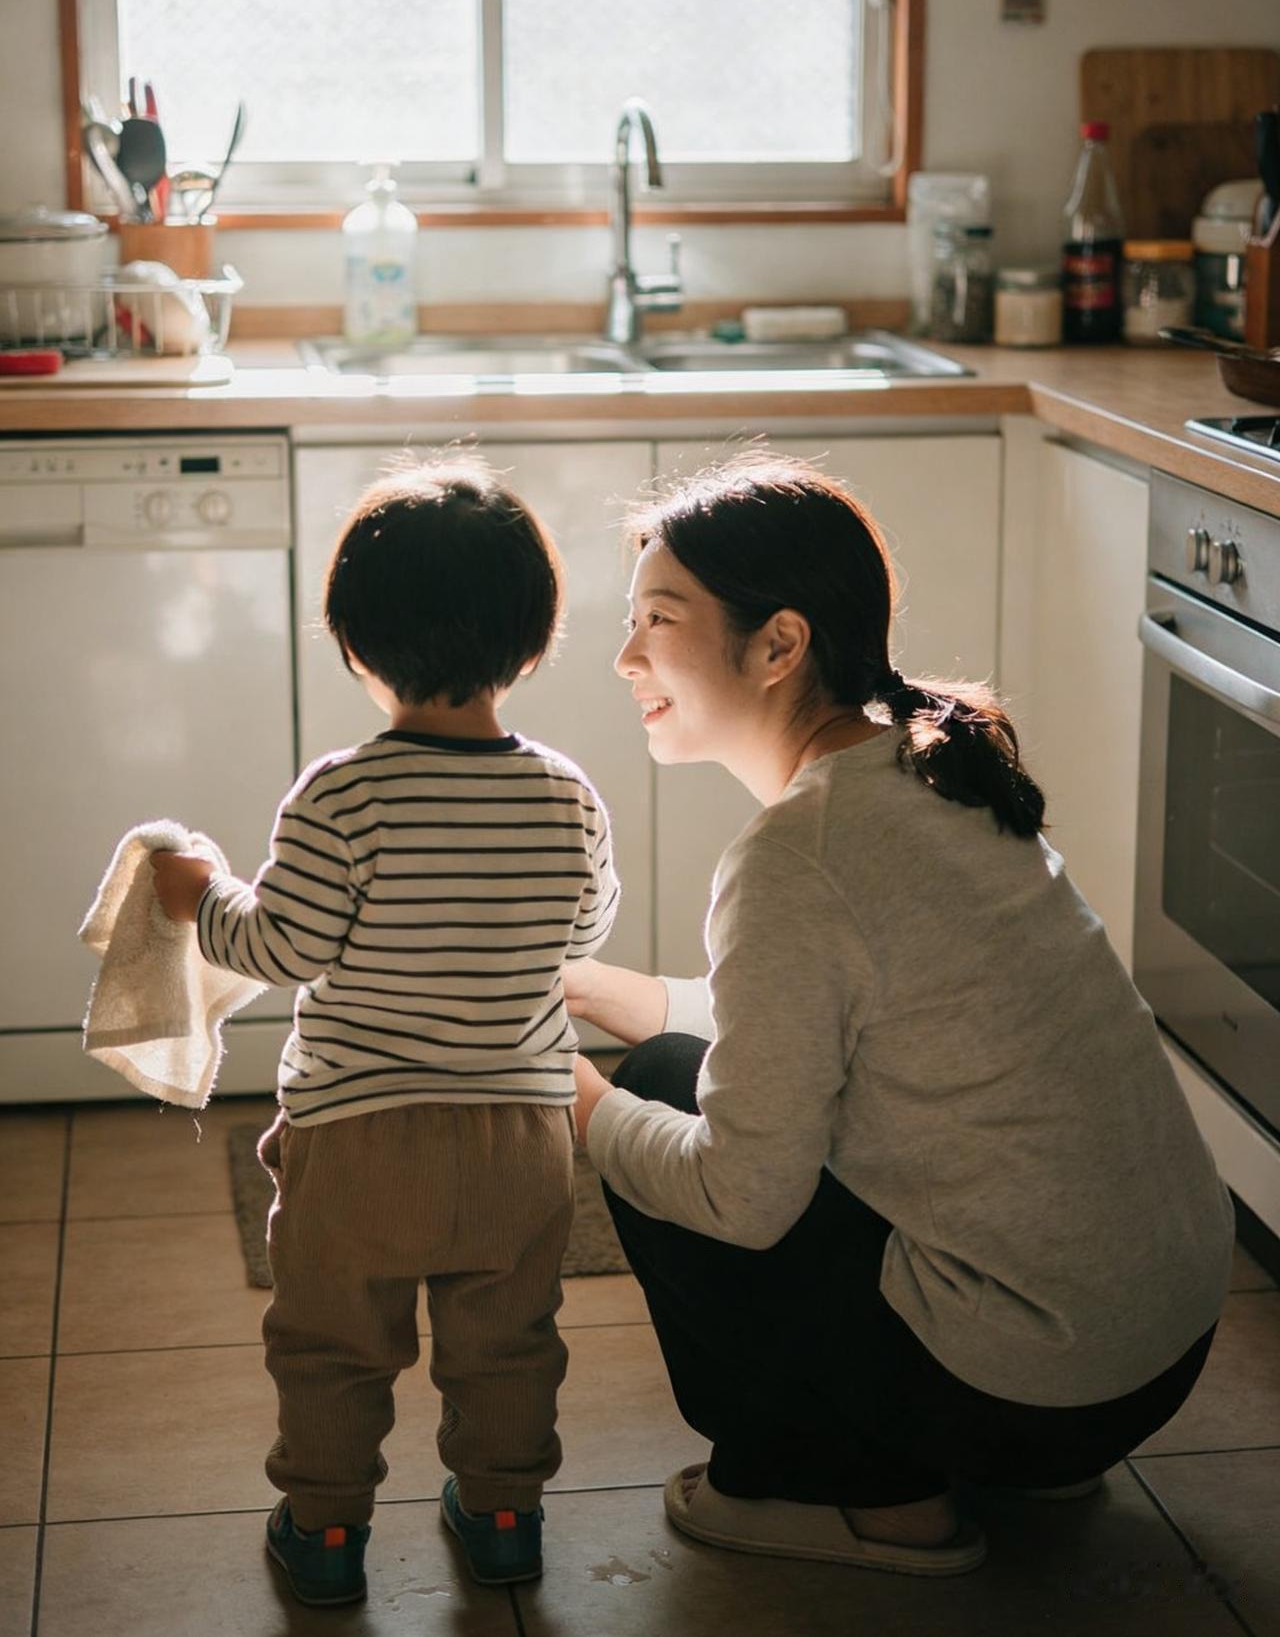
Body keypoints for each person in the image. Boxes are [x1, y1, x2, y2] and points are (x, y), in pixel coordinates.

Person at [567, 450, 1234, 1578]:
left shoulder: (797, 855)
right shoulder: (930, 770)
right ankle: (1001, 1446)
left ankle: (876, 1499)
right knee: (677, 1061)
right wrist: (579, 988)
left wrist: (572, 1099)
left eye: (657, 620)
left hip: (1028, 1390)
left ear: (778, 645)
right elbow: (823, 1026)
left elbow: (739, 1194)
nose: (624, 655)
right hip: (1149, 1355)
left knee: (649, 1099)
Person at [152, 456, 619, 1606]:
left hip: (356, 1139)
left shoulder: (339, 794)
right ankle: (505, 1512)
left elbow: (277, 947)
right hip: (518, 1133)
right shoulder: (565, 791)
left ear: (355, 644)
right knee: (507, 1340)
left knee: (332, 1343)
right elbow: (584, 923)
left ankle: (322, 1530)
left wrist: (200, 892)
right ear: (532, 637)